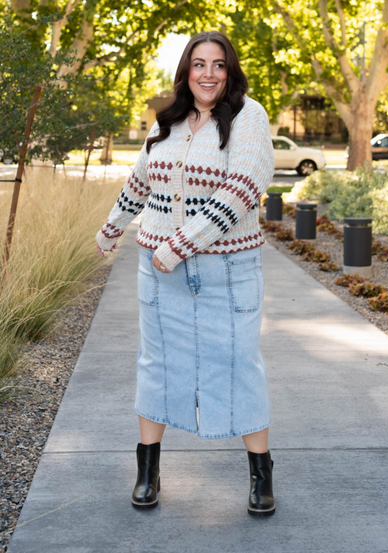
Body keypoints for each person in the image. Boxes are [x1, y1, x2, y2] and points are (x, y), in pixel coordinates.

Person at [96, 31, 275, 516]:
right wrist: (112, 227)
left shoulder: (247, 116)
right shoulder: (171, 119)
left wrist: (181, 244)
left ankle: (261, 477)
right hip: (157, 272)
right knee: (156, 367)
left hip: (227, 269)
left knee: (240, 365)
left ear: (230, 70)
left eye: (218, 65)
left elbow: (243, 187)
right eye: (199, 64)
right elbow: (141, 180)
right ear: (187, 70)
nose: (209, 74)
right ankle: (148, 472)